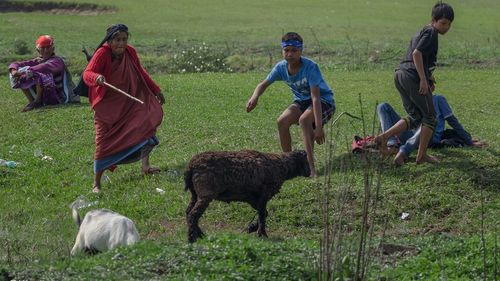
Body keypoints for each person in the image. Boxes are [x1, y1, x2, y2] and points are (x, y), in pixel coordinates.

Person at [83, 24, 165, 193]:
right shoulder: (102, 53)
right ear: (109, 40)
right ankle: (96, 183)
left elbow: (140, 72)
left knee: (146, 122)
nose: (121, 43)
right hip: (106, 106)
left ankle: (145, 167)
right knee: (103, 141)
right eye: (117, 40)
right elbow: (87, 73)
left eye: (124, 39)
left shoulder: (130, 52)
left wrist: (156, 89)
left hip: (128, 101)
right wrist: (97, 77)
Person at [246, 32, 335, 177]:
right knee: (282, 121)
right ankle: (288, 163)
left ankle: (310, 169)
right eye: (286, 50)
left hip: (324, 101)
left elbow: (316, 98)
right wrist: (254, 97)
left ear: (301, 51)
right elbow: (262, 84)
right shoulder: (281, 68)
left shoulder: (310, 67)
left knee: (304, 120)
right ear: (282, 51)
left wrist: (319, 127)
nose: (290, 54)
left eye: (294, 50)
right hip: (301, 101)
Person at [374, 2, 454, 164]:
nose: (446, 27)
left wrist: (428, 78)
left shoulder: (424, 31)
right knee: (431, 117)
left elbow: (417, 57)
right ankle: (422, 155)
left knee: (416, 117)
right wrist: (423, 79)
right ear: (433, 20)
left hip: (400, 75)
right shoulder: (431, 32)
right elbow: (417, 54)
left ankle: (383, 137)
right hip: (411, 77)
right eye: (443, 23)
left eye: (449, 24)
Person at [377, 95, 487, 166]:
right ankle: (391, 145)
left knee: (428, 121)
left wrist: (469, 141)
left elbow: (453, 121)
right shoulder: (417, 100)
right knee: (383, 106)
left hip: (428, 138)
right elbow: (409, 121)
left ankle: (404, 150)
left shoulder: (438, 99)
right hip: (411, 136)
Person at [8, 35, 76, 112]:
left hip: (60, 97)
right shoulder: (37, 61)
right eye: (43, 48)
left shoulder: (57, 61)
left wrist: (24, 71)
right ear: (38, 50)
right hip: (47, 94)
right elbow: (16, 64)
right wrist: (14, 71)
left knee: (38, 73)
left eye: (48, 47)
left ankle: (37, 101)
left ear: (53, 48)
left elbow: (45, 67)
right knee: (21, 73)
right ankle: (32, 101)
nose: (46, 50)